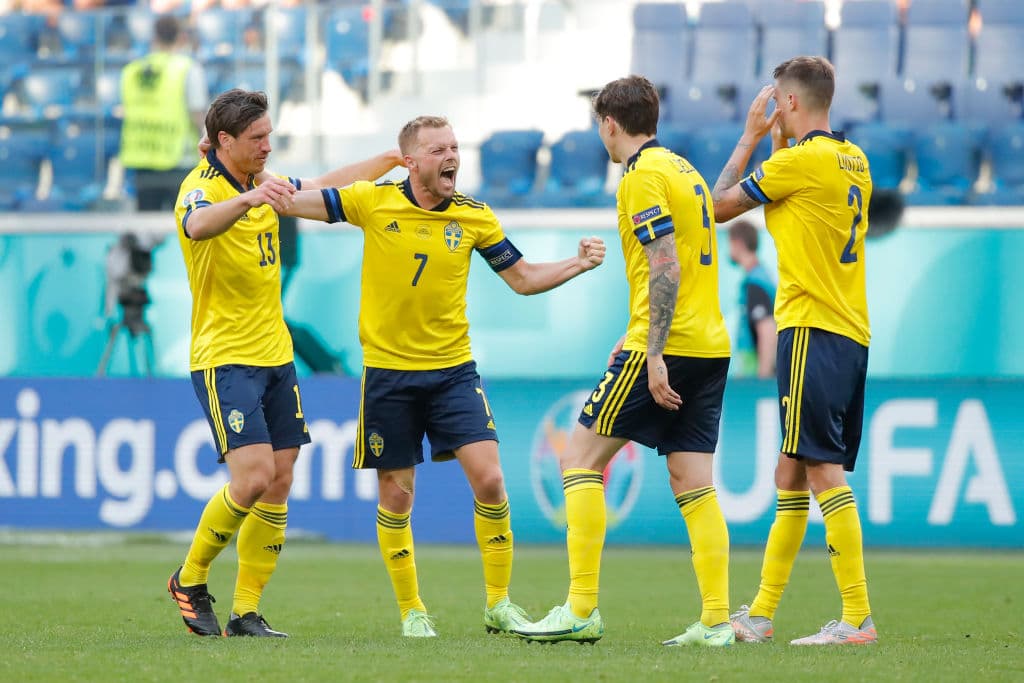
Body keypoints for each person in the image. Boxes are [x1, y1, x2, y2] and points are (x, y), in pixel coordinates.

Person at [279, 115, 607, 638]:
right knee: (397, 495)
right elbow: (295, 200)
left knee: (491, 480)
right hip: (389, 374)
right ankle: (412, 611)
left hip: (453, 372)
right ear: (411, 162)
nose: (451, 156)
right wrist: (251, 180)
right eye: (437, 150)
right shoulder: (372, 201)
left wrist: (577, 264)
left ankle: (499, 604)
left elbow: (522, 279)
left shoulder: (475, 216)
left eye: (454, 147)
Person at [167, 88, 404, 638]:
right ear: (224, 141)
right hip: (225, 358)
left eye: (270, 135)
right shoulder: (201, 188)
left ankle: (245, 612)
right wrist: (251, 199)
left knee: (279, 480)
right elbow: (198, 226)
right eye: (257, 138)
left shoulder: (263, 182)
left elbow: (326, 184)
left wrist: (389, 159)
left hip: (275, 356)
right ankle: (190, 577)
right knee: (251, 478)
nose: (267, 146)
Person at [511, 75, 734, 647]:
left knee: (579, 459)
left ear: (610, 124)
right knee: (693, 481)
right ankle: (716, 620)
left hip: (666, 346)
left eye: (599, 127)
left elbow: (666, 263)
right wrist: (632, 330)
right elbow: (681, 263)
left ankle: (580, 608)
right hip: (709, 345)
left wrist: (652, 349)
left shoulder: (640, 177)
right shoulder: (684, 170)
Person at [710, 56, 877, 646]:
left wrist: (751, 136)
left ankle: (857, 617)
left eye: (777, 102)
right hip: (850, 331)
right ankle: (760, 615)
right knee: (791, 470)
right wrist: (780, 140)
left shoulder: (796, 164)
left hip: (810, 328)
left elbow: (716, 205)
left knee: (822, 471)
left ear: (789, 103)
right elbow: (792, 196)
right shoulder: (854, 160)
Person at [120, 14, 208, 211]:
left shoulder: (131, 70)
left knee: (145, 226)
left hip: (142, 160)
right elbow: (197, 115)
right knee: (184, 222)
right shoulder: (188, 69)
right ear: (181, 37)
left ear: (154, 37)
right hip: (179, 160)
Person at [727, 219, 776, 378]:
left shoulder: (756, 283)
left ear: (738, 243)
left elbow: (767, 330)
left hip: (756, 376)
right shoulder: (761, 276)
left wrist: (763, 378)